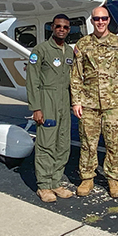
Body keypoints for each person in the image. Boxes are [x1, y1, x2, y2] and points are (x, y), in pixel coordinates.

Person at [71, 6, 118, 198]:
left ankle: (113, 179)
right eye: (97, 19)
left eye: (104, 18)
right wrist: (76, 101)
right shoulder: (82, 44)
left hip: (113, 103)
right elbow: (76, 75)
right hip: (89, 103)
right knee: (88, 143)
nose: (100, 22)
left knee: (114, 143)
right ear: (92, 21)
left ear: (108, 20)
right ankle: (87, 178)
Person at [26, 14, 74, 203]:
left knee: (63, 144)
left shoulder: (70, 52)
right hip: (47, 100)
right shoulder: (41, 50)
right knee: (46, 144)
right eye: (58, 26)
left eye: (65, 27)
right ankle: (44, 185)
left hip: (64, 101)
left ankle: (56, 181)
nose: (62, 29)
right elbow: (32, 80)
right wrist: (36, 107)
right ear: (52, 28)